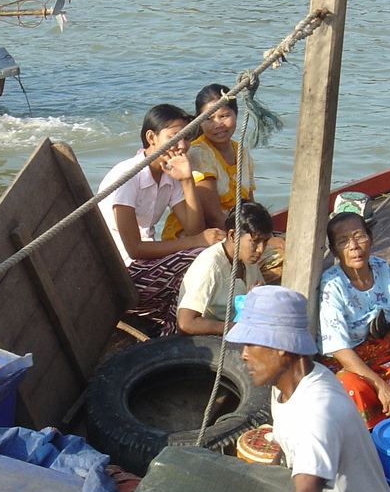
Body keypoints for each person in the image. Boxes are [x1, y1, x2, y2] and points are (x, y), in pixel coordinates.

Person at [227, 286, 390, 492]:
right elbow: (291, 453)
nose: (243, 355)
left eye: (251, 343)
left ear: (281, 346)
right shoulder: (290, 384)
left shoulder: (316, 410)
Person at [98, 104, 226, 334]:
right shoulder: (128, 176)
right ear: (151, 138)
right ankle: (180, 331)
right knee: (199, 255)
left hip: (146, 266)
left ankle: (171, 332)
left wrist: (187, 181)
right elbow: (135, 249)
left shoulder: (170, 174)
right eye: (173, 137)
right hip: (122, 274)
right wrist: (197, 242)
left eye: (186, 138)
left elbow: (193, 229)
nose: (182, 146)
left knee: (208, 253)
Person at [318, 212, 390, 428]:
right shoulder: (332, 285)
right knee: (352, 385)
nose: (354, 246)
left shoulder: (380, 267)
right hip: (347, 361)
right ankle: (372, 432)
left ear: (371, 238)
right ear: (335, 250)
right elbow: (339, 348)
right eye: (343, 241)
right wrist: (381, 386)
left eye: (359, 236)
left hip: (380, 351)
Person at [162, 84, 255, 239]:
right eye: (209, 119)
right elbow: (214, 218)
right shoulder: (199, 153)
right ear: (199, 121)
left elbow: (250, 205)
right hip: (201, 238)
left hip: (235, 235)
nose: (218, 124)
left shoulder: (242, 153)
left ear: (236, 114)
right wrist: (249, 242)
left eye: (224, 116)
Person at [176, 200, 272, 336]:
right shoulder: (210, 265)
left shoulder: (247, 259)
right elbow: (185, 324)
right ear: (233, 236)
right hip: (208, 342)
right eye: (255, 241)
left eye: (265, 241)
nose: (261, 249)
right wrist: (237, 328)